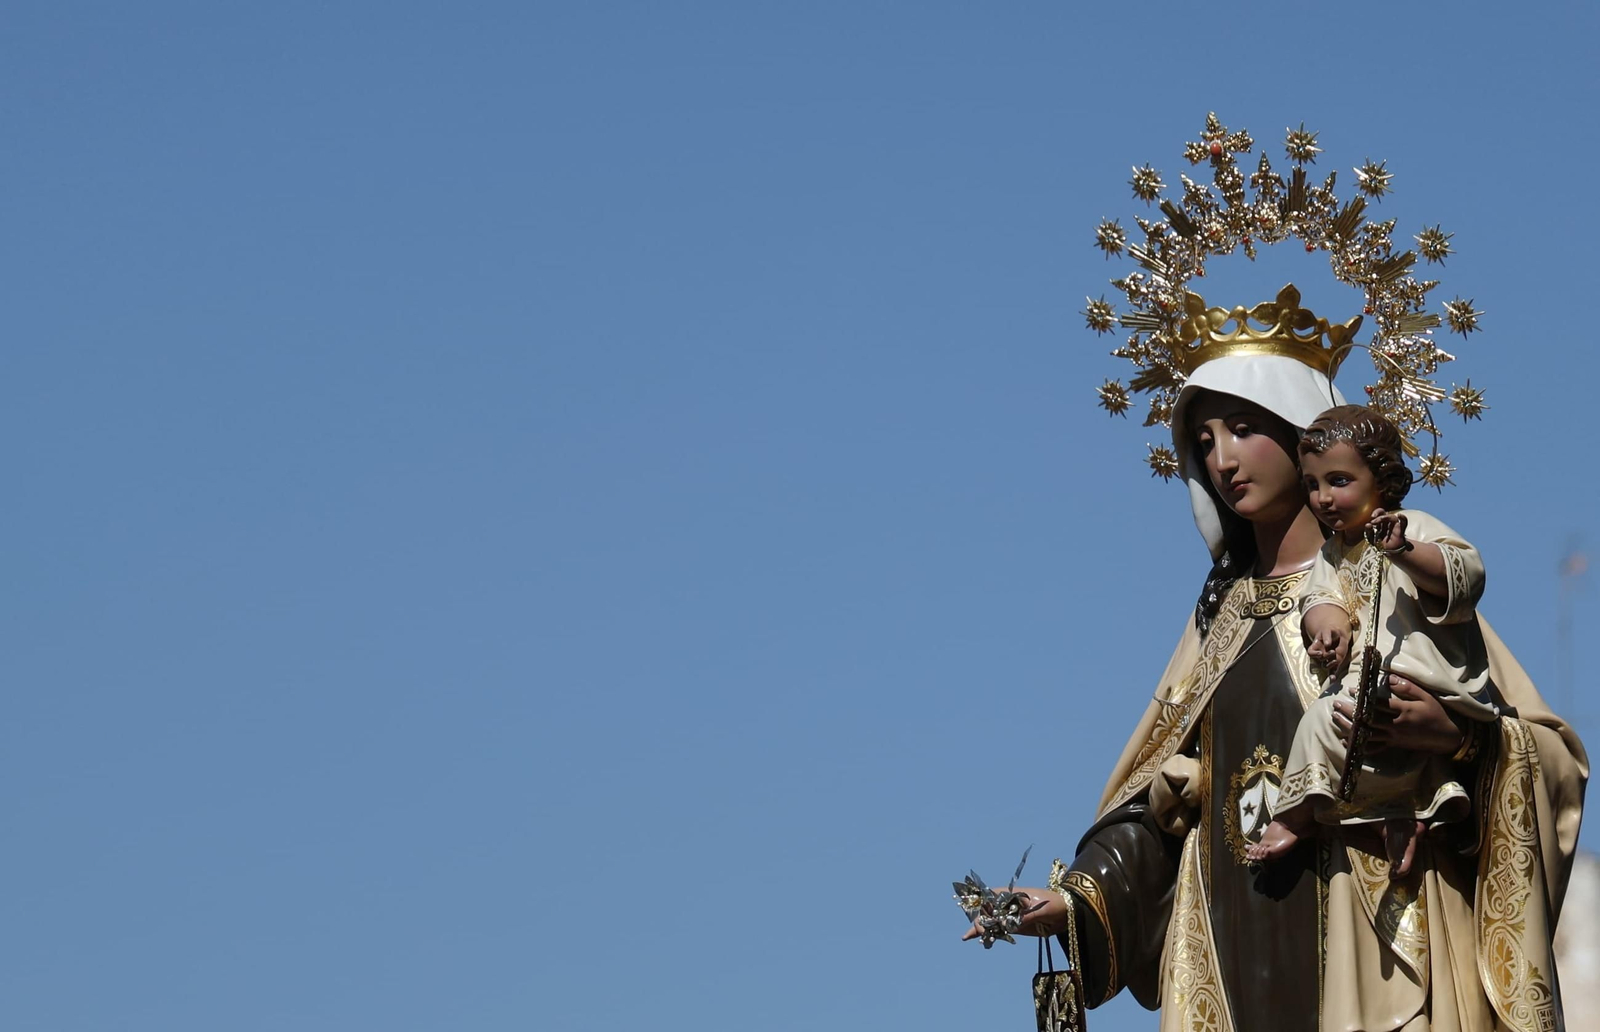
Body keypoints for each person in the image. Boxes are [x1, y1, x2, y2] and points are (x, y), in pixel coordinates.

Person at [962, 290, 1587, 1032]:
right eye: (1204, 441)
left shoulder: (1395, 586)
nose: (1222, 460)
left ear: (1307, 439)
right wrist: (1080, 899)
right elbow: (1163, 802)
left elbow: (1548, 757)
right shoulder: (1220, 621)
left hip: (1373, 935)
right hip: (1233, 945)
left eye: (1245, 430)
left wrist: (1459, 739)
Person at [1247, 405, 1501, 877]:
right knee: (1329, 721)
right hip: (1359, 683)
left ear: (1381, 477)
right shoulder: (1334, 552)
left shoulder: (1414, 524)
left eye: (1338, 481)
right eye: (1312, 484)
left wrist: (1404, 550)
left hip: (1418, 677)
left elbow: (1465, 575)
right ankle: (1382, 818)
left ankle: (1298, 816)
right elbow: (1318, 598)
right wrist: (1327, 628)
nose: (1323, 497)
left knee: (1363, 720)